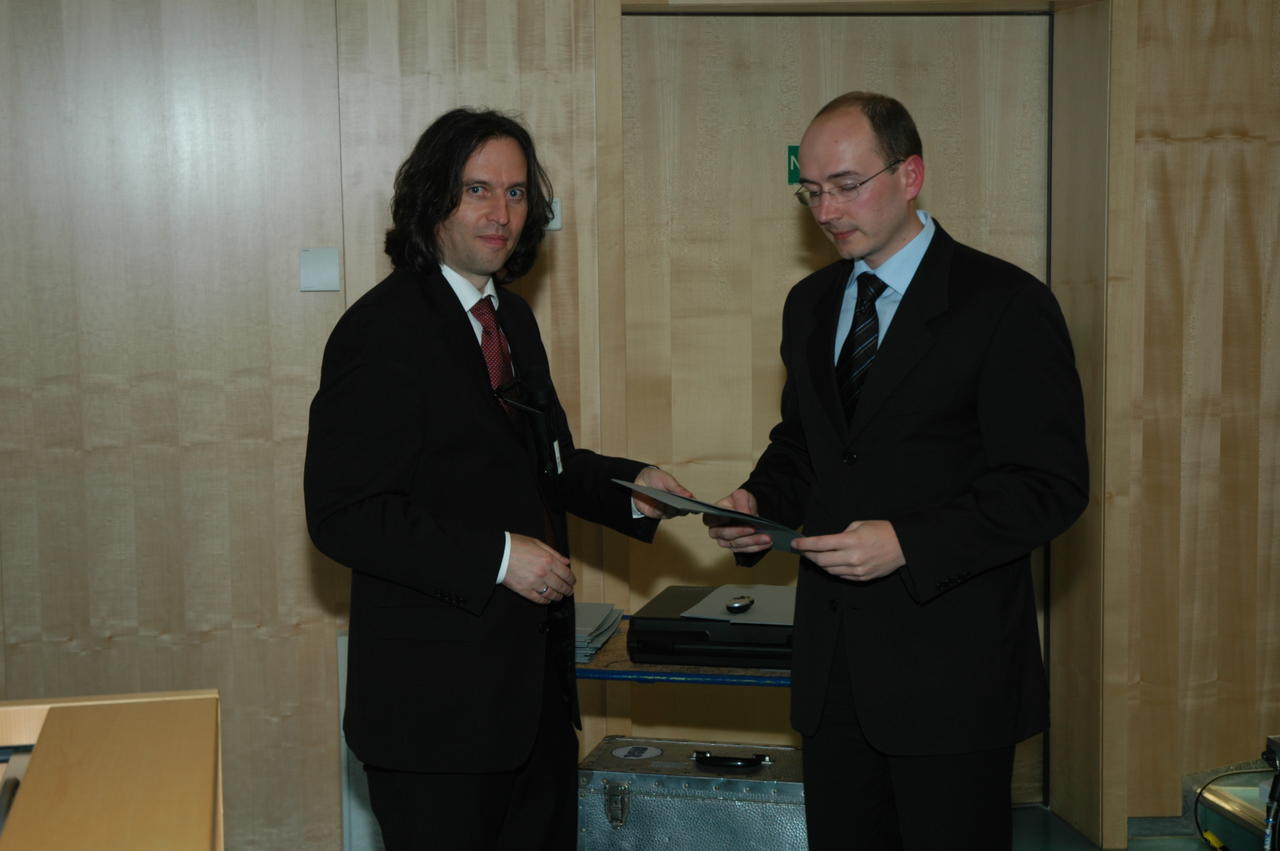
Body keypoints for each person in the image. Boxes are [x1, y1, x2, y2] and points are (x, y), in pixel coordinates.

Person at [704, 92, 1088, 850]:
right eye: (812, 191)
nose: (827, 210)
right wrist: (758, 501)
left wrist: (908, 541)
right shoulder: (810, 303)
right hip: (834, 671)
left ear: (910, 175)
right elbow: (807, 445)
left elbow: (1049, 485)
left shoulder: (1005, 303)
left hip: (953, 672)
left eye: (848, 185)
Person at [304, 107, 690, 850]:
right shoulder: (382, 329)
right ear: (431, 200)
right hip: (435, 723)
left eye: (516, 193)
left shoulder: (509, 317)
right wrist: (502, 557)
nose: (501, 214)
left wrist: (632, 488)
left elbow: (546, 464)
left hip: (533, 710)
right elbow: (344, 513)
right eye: (477, 190)